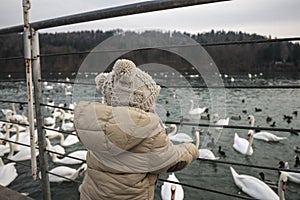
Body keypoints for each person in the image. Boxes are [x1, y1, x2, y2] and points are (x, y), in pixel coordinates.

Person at [74, 59, 199, 200]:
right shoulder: (149, 133)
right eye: (151, 101)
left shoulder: (94, 125)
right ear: (142, 103)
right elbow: (172, 161)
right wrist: (191, 150)